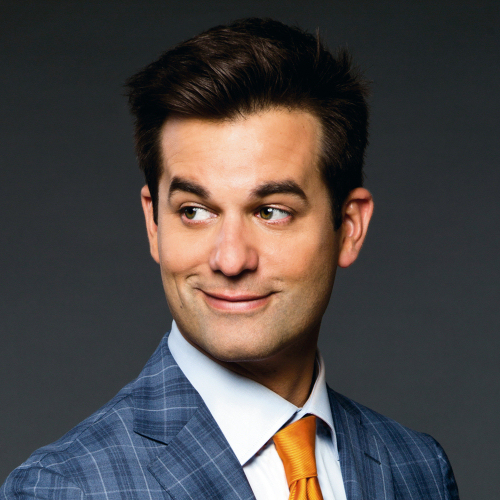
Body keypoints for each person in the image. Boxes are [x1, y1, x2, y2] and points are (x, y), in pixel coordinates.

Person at [1, 17, 459, 500]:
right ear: (154, 224)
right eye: (194, 211)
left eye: (271, 212)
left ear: (349, 227)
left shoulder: (418, 467)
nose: (231, 259)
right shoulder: (67, 488)